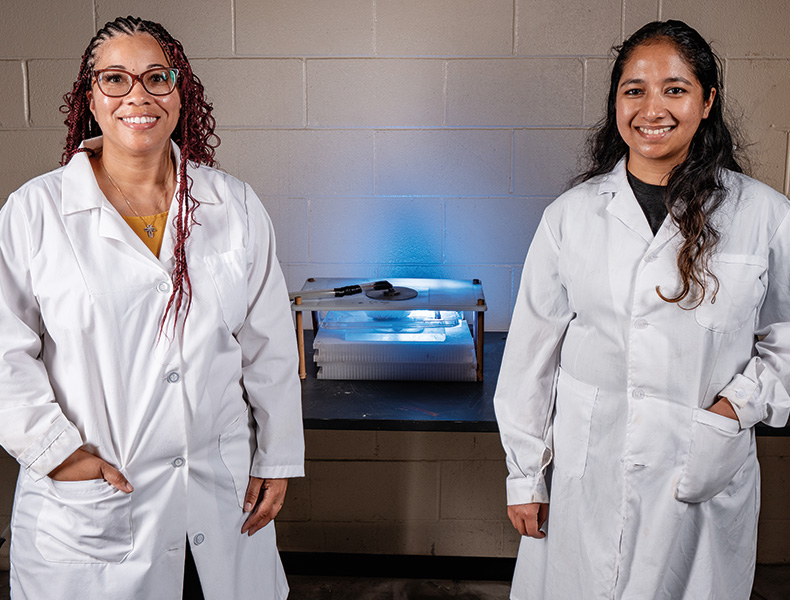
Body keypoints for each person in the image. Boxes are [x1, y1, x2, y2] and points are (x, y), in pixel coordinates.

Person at [0, 16, 303, 600]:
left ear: (179, 92)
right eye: (114, 80)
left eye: (157, 77)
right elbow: (4, 353)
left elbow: (269, 346)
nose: (137, 96)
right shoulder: (34, 212)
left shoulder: (232, 205)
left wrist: (278, 455)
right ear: (89, 98)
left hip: (220, 493)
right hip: (96, 509)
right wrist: (58, 456)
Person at [494, 19, 790, 600]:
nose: (652, 108)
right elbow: (530, 355)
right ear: (615, 102)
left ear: (707, 102)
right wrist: (524, 474)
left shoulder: (765, 216)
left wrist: (735, 408)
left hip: (701, 468)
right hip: (590, 472)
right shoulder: (570, 217)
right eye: (634, 90)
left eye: (675, 89)